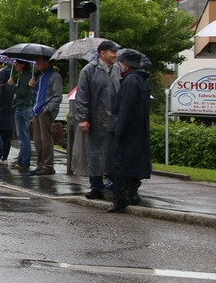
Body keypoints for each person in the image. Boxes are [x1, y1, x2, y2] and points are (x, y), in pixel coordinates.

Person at [74, 40, 122, 200]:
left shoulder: (116, 69)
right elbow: (82, 96)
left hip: (113, 119)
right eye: (112, 52)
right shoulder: (89, 70)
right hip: (95, 119)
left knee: (112, 153)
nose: (115, 55)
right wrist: (82, 118)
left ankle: (114, 184)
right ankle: (96, 186)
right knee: (95, 153)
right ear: (102, 53)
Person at [106, 48, 151, 213]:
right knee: (132, 165)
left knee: (119, 165)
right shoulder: (141, 80)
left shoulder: (130, 81)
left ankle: (121, 198)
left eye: (121, 62)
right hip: (137, 131)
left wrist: (119, 129)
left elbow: (126, 108)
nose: (119, 65)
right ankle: (131, 193)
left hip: (126, 132)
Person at [31, 55, 63, 175]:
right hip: (37, 110)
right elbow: (37, 94)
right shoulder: (40, 77)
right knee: (37, 140)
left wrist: (48, 109)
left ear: (46, 62)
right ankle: (40, 164)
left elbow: (57, 96)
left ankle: (48, 165)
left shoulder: (55, 77)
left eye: (39, 61)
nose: (37, 64)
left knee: (46, 139)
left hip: (45, 111)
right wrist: (33, 87)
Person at [10, 60, 34, 174]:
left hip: (22, 108)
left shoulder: (25, 77)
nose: (15, 66)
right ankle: (21, 160)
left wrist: (13, 86)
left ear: (23, 65)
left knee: (23, 137)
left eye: (17, 63)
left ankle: (24, 162)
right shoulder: (25, 76)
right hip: (24, 107)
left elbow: (22, 92)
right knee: (23, 136)